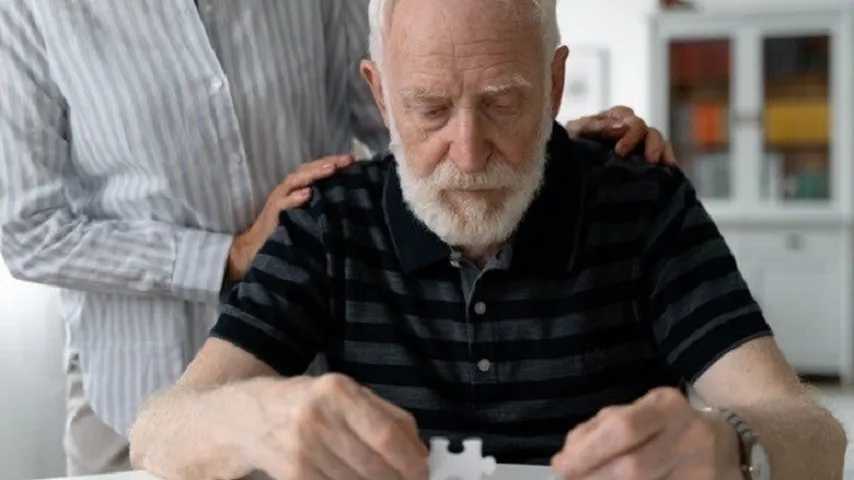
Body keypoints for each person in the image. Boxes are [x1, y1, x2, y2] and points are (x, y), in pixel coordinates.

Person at [129, 1, 847, 479]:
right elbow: (158, 433)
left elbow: (817, 434)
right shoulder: (329, 220)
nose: (468, 155)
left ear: (556, 83)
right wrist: (258, 417)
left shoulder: (644, 202)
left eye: (503, 103)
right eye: (430, 109)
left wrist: (732, 448)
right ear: (379, 96)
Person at [1, 0, 670, 477]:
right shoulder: (31, 12)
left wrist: (530, 152)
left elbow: (401, 116)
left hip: (314, 357)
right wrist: (229, 255)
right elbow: (27, 231)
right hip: (132, 374)